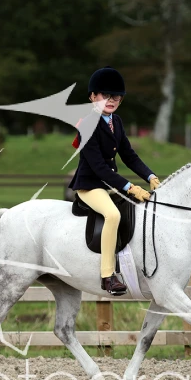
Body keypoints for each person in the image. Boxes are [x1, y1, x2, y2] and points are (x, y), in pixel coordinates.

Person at [68, 66, 160, 296]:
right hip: (90, 185)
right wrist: (130, 187)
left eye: (116, 96)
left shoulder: (116, 121)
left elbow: (129, 156)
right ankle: (108, 276)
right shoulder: (87, 125)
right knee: (113, 215)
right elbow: (99, 167)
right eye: (105, 95)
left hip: (109, 184)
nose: (111, 100)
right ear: (92, 96)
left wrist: (150, 176)